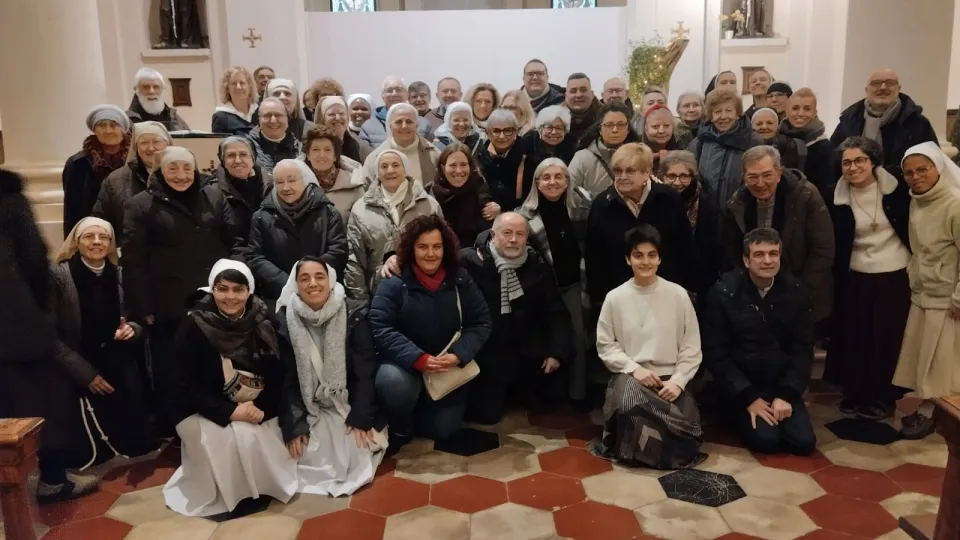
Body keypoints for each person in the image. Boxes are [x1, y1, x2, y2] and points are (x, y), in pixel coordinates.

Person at [123, 147, 245, 435]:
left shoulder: (214, 196)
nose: (181, 175)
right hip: (170, 303)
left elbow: (236, 241)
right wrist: (143, 307)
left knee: (214, 366)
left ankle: (218, 423)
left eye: (187, 168)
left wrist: (234, 280)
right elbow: (133, 260)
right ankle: (179, 429)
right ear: (160, 171)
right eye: (173, 168)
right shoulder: (141, 205)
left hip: (215, 300)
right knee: (174, 370)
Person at [163, 260, 298, 516]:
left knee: (255, 435)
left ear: (249, 291)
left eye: (238, 289)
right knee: (229, 439)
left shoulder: (263, 319)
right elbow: (184, 385)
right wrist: (230, 412)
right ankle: (232, 496)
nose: (230, 297)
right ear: (212, 289)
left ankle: (262, 489)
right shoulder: (194, 324)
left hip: (255, 403)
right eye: (222, 289)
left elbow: (278, 373)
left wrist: (256, 407)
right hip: (201, 408)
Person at [1, 169, 103, 504]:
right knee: (46, 403)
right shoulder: (7, 195)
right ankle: (54, 481)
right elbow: (32, 259)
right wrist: (43, 314)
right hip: (16, 327)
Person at [369, 215, 492, 450]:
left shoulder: (460, 279)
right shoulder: (394, 282)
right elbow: (380, 326)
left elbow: (481, 322)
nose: (430, 253)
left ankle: (424, 410)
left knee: (444, 429)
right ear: (411, 249)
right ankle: (400, 425)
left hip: (446, 366)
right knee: (393, 384)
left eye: (437, 246)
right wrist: (418, 358)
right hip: (404, 365)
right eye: (422, 247)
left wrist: (458, 354)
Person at [591, 224, 704, 469]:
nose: (645, 262)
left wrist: (678, 381)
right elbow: (606, 345)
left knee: (686, 423)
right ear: (628, 259)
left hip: (670, 378)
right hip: (632, 376)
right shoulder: (615, 297)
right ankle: (653, 452)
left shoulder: (678, 295)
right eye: (638, 255)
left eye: (652, 255)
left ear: (660, 259)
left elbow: (691, 347)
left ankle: (649, 450)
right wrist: (635, 369)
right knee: (630, 405)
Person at [51, 217, 155, 468]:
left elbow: (140, 319)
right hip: (76, 364)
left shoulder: (120, 275)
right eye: (89, 236)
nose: (97, 242)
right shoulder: (58, 277)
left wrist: (132, 330)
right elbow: (48, 334)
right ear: (77, 242)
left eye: (103, 237)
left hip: (118, 360)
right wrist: (84, 373)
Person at [278, 258, 387, 496]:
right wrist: (295, 424)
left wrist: (361, 416)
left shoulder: (353, 312)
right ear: (295, 285)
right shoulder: (285, 319)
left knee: (355, 451)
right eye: (304, 278)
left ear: (330, 280)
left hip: (345, 401)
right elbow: (287, 378)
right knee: (298, 452)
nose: (313, 283)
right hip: (309, 405)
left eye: (319, 276)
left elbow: (365, 370)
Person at [703, 228, 816, 455]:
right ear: (746, 260)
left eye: (773, 254)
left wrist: (786, 395)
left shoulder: (797, 293)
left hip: (780, 384)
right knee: (766, 441)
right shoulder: (723, 293)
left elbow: (802, 350)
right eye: (759, 254)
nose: (767, 261)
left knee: (804, 443)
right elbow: (717, 354)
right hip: (743, 387)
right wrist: (748, 397)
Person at [825, 137, 911, 421]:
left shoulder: (898, 190)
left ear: (873, 161)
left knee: (885, 340)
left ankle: (883, 397)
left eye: (859, 160)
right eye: (846, 163)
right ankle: (855, 393)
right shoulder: (834, 196)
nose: (853, 167)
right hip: (855, 275)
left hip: (893, 275)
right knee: (855, 338)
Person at [460, 212, 573, 423]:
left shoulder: (536, 264)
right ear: (493, 235)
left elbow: (555, 310)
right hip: (487, 352)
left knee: (551, 401)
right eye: (507, 233)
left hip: (526, 347)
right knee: (487, 416)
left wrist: (556, 353)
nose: (513, 239)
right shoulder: (470, 262)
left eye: (520, 234)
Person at [722, 146, 835, 323]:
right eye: (753, 177)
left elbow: (823, 249)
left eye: (767, 175)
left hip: (800, 288)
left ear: (779, 173)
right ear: (744, 178)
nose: (760, 183)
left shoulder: (805, 196)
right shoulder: (737, 203)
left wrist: (802, 291)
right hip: (754, 294)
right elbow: (732, 251)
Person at [892, 142, 960, 439]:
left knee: (943, 363)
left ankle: (935, 413)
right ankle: (929, 405)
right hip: (923, 291)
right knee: (927, 359)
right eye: (909, 172)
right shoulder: (917, 200)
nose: (916, 177)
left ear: (938, 168)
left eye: (923, 170)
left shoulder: (955, 203)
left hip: (947, 297)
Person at [586, 143, 698, 311]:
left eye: (630, 171)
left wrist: (686, 290)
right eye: (618, 171)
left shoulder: (669, 199)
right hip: (621, 297)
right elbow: (595, 258)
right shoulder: (603, 204)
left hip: (666, 292)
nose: (622, 176)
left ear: (647, 172)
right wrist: (600, 300)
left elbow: (684, 248)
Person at [517, 158, 592, 401]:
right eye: (546, 177)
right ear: (537, 183)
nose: (552, 182)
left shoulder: (582, 209)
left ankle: (578, 394)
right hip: (542, 291)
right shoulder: (523, 216)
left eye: (559, 177)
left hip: (573, 284)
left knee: (578, 336)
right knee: (546, 337)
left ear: (567, 181)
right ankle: (544, 394)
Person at [248, 159, 348, 308]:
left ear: (306, 180)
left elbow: (338, 250)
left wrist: (309, 278)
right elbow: (255, 257)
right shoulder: (261, 216)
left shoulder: (328, 213)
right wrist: (288, 283)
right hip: (278, 295)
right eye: (279, 182)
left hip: (321, 293)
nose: (285, 187)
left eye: (292, 180)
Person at [345, 150, 443, 303]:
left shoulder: (429, 205)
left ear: (405, 169)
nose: (390, 170)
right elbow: (355, 260)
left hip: (425, 294)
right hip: (379, 295)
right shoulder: (361, 209)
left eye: (396, 165)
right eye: (384, 166)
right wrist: (360, 303)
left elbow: (442, 248)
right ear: (377, 172)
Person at [829, 69, 938, 175]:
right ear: (866, 90)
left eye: (890, 83)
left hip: (901, 186)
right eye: (876, 83)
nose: (883, 87)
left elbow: (933, 162)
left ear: (898, 89)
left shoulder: (917, 122)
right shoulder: (849, 120)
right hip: (855, 185)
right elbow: (834, 160)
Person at [688, 89, 763, 218]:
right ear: (711, 117)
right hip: (706, 215)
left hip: (742, 213)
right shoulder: (700, 141)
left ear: (738, 114)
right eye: (717, 112)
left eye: (728, 111)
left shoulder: (753, 141)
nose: (723, 116)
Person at [92, 121, 169, 247]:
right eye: (144, 143)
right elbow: (100, 222)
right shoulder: (115, 180)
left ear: (168, 144)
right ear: (136, 147)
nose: (151, 148)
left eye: (156, 141)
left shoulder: (183, 177)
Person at [63, 105, 132, 237]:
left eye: (114, 125)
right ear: (94, 130)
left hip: (129, 232)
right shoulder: (78, 163)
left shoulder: (134, 160)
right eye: (102, 125)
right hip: (94, 235)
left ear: (123, 129)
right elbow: (72, 210)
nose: (108, 130)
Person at [659, 150, 722, 294]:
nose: (677, 182)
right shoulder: (657, 200)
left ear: (692, 177)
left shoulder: (707, 204)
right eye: (671, 176)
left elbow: (711, 249)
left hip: (697, 278)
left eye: (684, 176)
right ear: (663, 176)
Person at [429, 143, 498, 248]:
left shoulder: (479, 187)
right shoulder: (432, 193)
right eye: (453, 165)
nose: (459, 171)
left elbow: (487, 231)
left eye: (463, 165)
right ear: (443, 168)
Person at [360, 103, 441, 188]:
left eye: (409, 122)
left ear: (416, 126)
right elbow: (366, 188)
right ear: (390, 126)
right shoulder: (375, 157)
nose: (404, 126)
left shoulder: (433, 154)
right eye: (398, 122)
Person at [569, 102, 640, 196]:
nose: (615, 130)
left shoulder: (638, 156)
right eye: (609, 125)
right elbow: (569, 191)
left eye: (621, 125)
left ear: (628, 129)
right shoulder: (582, 158)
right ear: (600, 129)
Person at [780, 88, 837, 201]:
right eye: (795, 108)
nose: (800, 113)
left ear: (814, 113)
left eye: (807, 109)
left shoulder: (824, 148)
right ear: (787, 111)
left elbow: (827, 190)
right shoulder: (777, 140)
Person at [214, 136, 271, 242]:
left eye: (243, 154)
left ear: (253, 158)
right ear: (223, 161)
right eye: (231, 155)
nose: (237, 160)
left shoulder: (272, 186)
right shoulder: (213, 192)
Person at [302, 125, 365, 221]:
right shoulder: (297, 184)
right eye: (315, 149)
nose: (321, 155)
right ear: (308, 155)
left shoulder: (353, 184)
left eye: (327, 150)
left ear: (335, 156)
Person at [474, 109, 531, 210]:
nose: (502, 136)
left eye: (507, 131)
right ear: (488, 133)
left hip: (519, 211)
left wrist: (502, 207)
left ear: (515, 132)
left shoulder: (527, 154)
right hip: (486, 210)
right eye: (496, 131)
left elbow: (529, 195)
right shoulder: (479, 155)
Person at [520, 105, 577, 198]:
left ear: (565, 131)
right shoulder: (526, 146)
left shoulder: (573, 148)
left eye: (559, 128)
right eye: (549, 127)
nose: (554, 132)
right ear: (540, 129)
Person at [359, 76, 434, 146]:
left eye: (398, 90)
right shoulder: (368, 126)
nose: (394, 94)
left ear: (407, 94)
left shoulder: (423, 124)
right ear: (382, 96)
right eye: (389, 91)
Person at [247, 97, 303, 175]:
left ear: (287, 119)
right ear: (259, 120)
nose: (273, 120)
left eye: (278, 115)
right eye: (267, 115)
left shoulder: (300, 150)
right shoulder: (247, 148)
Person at [317, 96, 373, 165]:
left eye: (341, 113)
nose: (337, 118)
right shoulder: (313, 145)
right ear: (322, 119)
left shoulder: (360, 147)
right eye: (331, 114)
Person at [212, 66, 259, 135]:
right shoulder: (221, 117)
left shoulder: (260, 112)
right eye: (233, 83)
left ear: (249, 86)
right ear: (227, 88)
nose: (238, 87)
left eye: (242, 83)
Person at [643, 105, 692, 170]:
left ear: (673, 128)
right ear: (646, 129)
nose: (661, 131)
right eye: (655, 127)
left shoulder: (684, 150)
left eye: (666, 126)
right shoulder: (636, 151)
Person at [564, 73, 601, 146]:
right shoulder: (553, 119)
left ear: (592, 94)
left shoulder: (606, 117)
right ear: (566, 96)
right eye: (573, 91)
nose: (578, 95)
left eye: (583, 90)